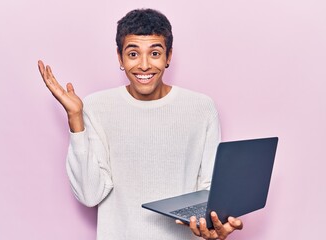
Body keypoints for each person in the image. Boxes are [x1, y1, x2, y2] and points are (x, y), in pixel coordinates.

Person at [38, 8, 243, 240]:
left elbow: (209, 188)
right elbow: (88, 194)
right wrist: (75, 118)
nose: (144, 65)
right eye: (133, 54)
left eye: (155, 53)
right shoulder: (96, 106)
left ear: (169, 56)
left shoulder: (202, 108)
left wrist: (215, 225)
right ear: (120, 58)